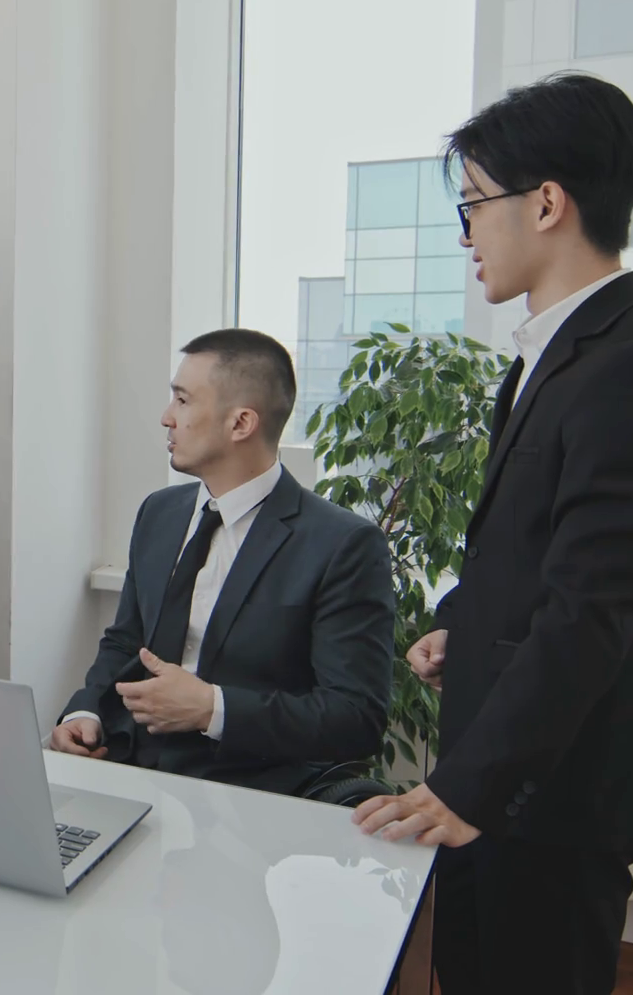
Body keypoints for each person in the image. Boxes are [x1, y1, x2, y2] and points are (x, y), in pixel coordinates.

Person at [351, 75, 633, 995]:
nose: (466, 233)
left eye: (474, 203)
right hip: (512, 767)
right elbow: (534, 552)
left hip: (557, 789)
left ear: (547, 203)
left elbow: (593, 611)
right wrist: (464, 623)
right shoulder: (553, 356)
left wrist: (467, 787)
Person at [50, 329, 396, 796]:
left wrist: (212, 709)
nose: (166, 417)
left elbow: (356, 718)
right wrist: (85, 711)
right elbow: (126, 640)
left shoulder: (342, 544)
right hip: (127, 768)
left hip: (248, 791)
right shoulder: (159, 512)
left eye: (183, 400)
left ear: (241, 423)